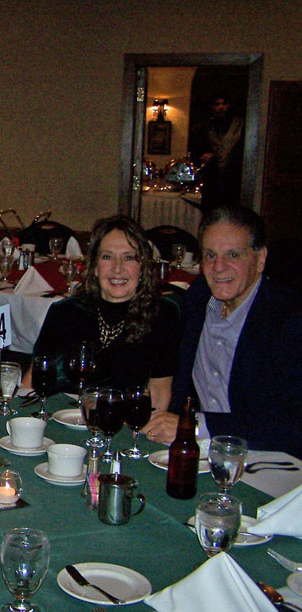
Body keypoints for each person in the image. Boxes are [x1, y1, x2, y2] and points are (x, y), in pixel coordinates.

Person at [143, 206, 302, 454]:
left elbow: (293, 424)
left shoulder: (288, 319)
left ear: (260, 259)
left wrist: (197, 426)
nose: (218, 267)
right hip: (199, 453)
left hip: (267, 459)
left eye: (233, 255)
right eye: (210, 255)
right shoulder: (198, 298)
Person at [22, 215, 181, 408]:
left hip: (125, 420)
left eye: (129, 257)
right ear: (95, 267)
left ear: (142, 267)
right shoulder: (65, 311)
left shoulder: (162, 315)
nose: (117, 268)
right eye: (107, 257)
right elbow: (31, 382)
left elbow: (160, 392)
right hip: (61, 417)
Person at [189, 93, 245, 211]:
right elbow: (196, 150)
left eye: (224, 104)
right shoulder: (205, 127)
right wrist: (203, 156)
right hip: (212, 181)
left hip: (234, 180)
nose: (221, 107)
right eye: (217, 104)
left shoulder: (241, 125)